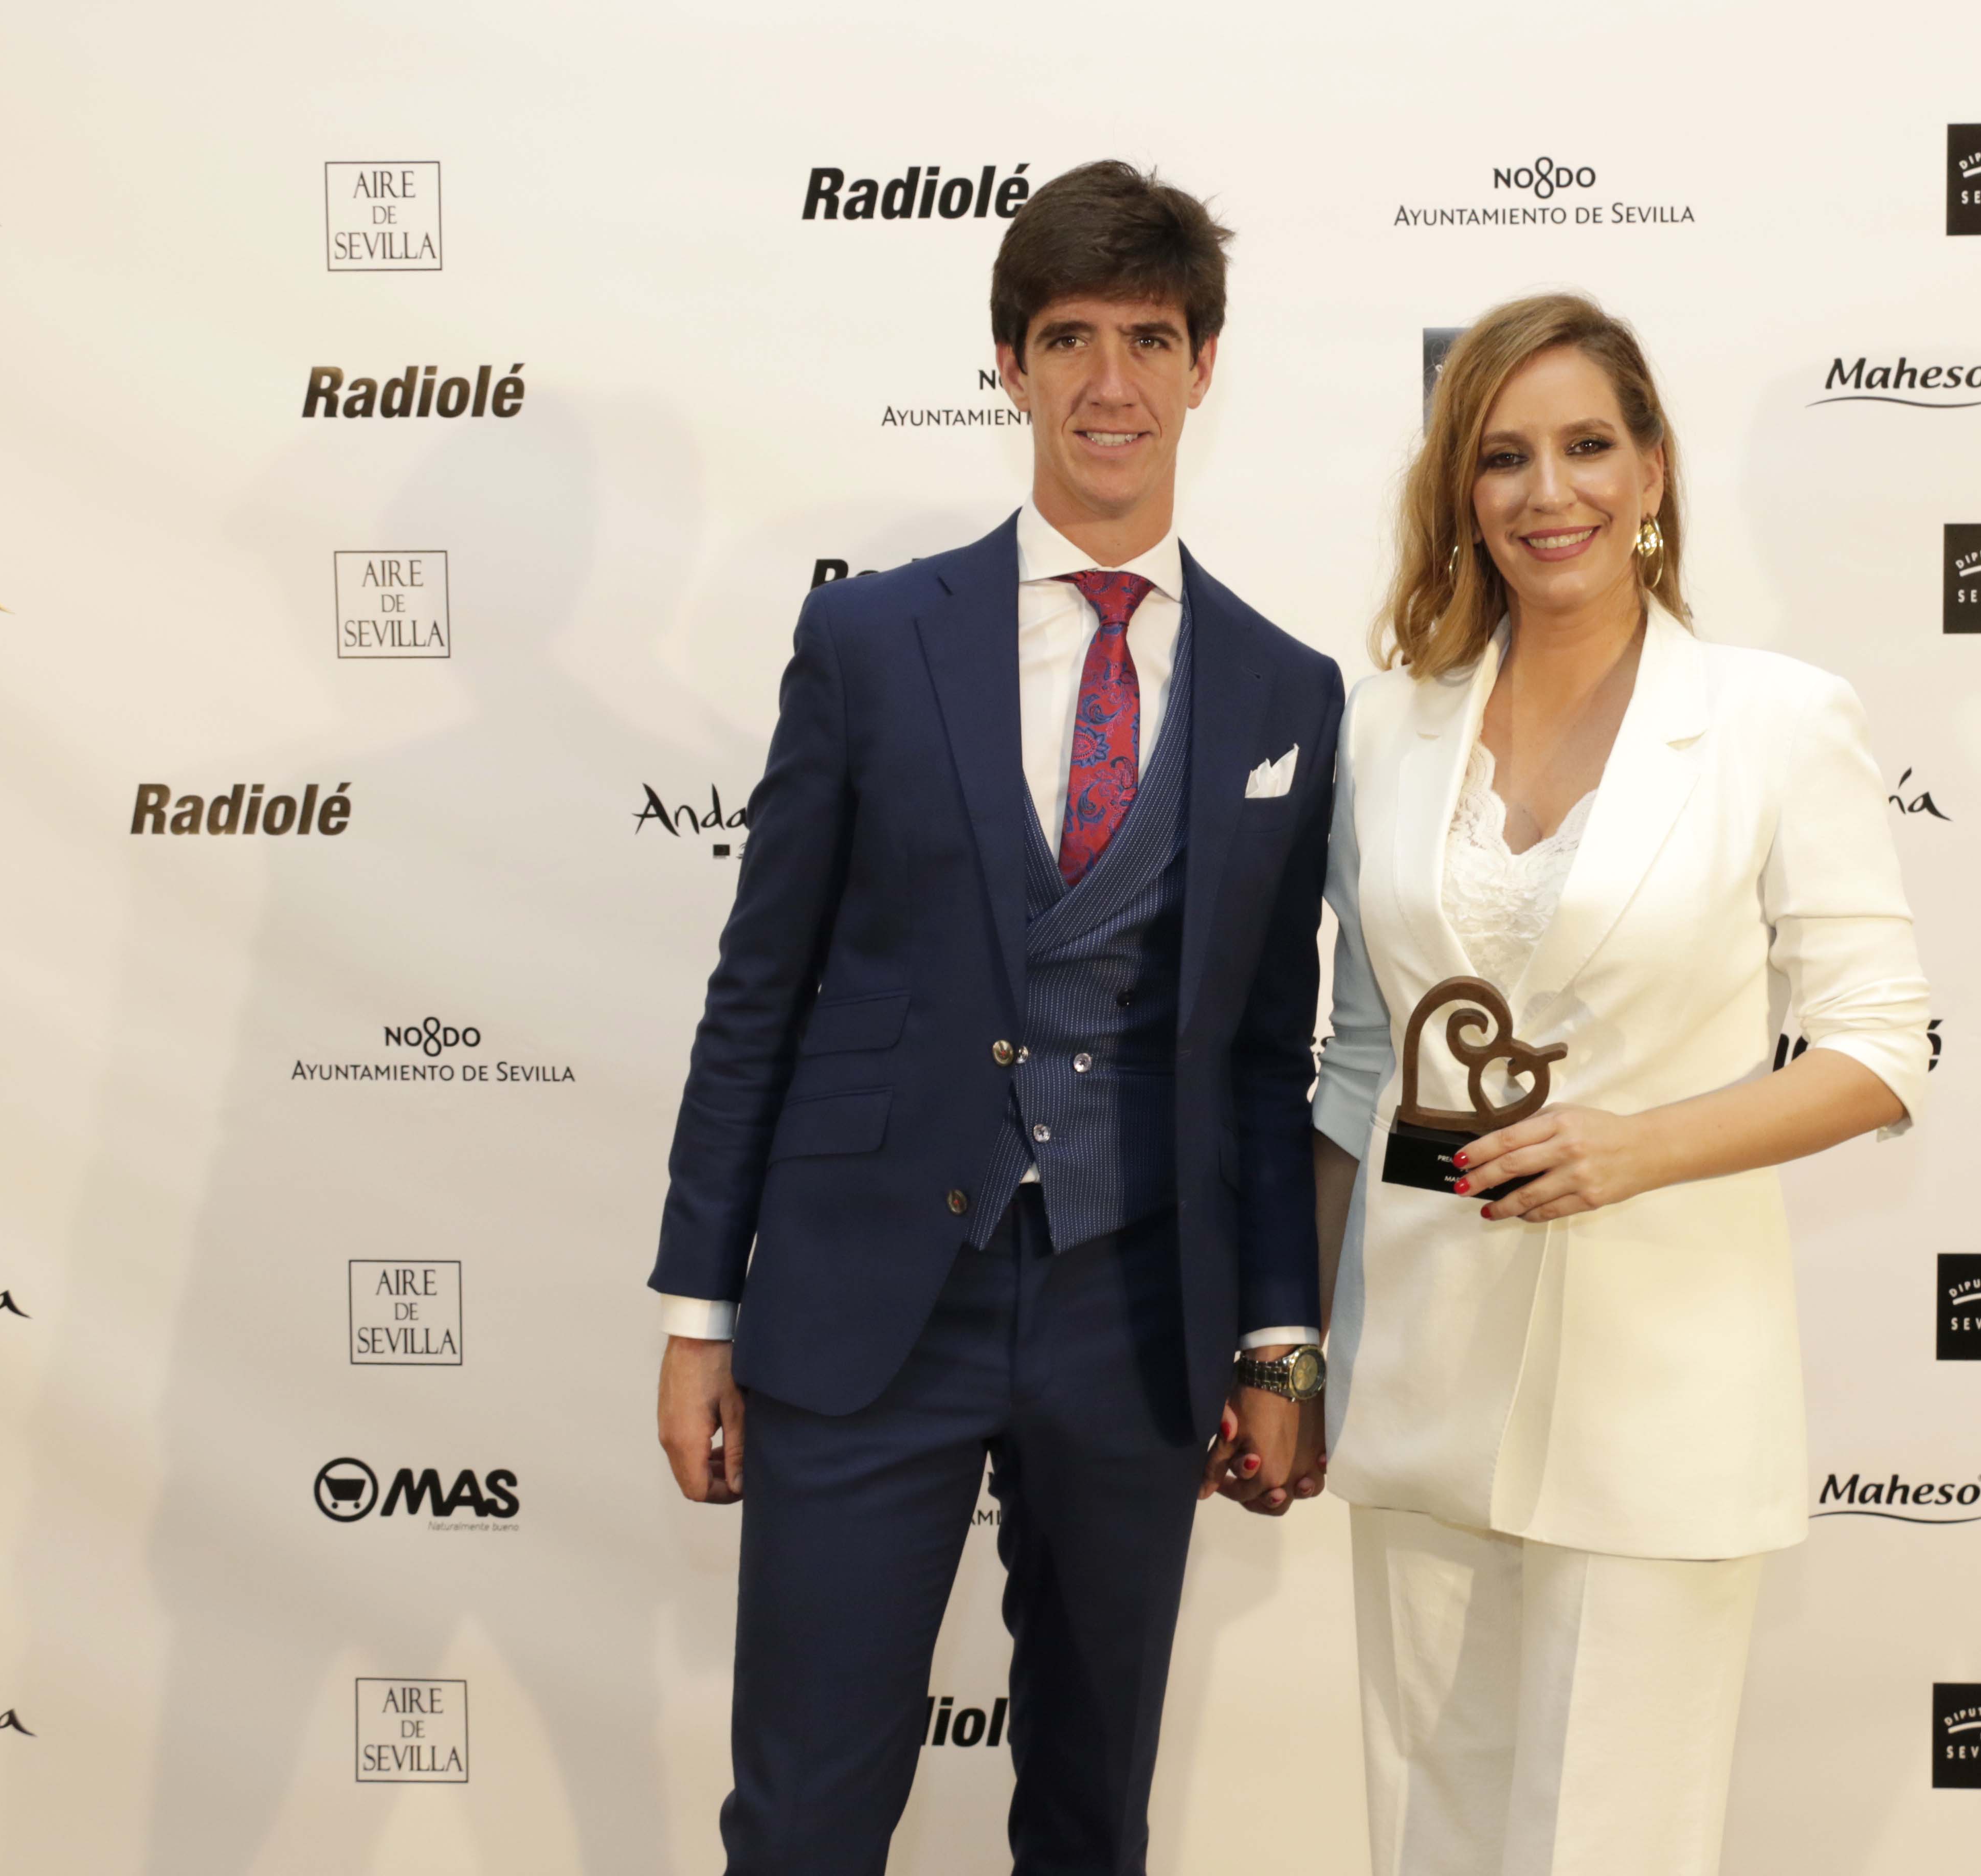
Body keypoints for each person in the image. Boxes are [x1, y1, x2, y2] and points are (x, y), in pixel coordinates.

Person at [647, 159, 1344, 1874]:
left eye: (1152, 340)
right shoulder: (871, 639)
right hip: (870, 1290)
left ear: (1205, 367)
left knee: (1094, 1818)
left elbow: (1268, 1056)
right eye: (1071, 337)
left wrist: (1277, 1340)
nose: (1113, 383)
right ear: (1011, 365)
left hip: (1137, 1311)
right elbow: (760, 987)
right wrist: (697, 1308)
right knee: (806, 1817)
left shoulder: (1287, 688)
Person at [1305, 293, 1935, 1875]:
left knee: (1612, 1844)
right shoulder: (1383, 730)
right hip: (1419, 1365)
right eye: (1503, 456)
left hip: (1657, 1386)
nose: (1550, 492)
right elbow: (1363, 1057)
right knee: (1426, 1839)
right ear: (1461, 492)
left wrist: (1637, 1148)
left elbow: (1878, 1047)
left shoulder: (1778, 722)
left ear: (1652, 471)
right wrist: (1302, 1343)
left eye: (1588, 446)